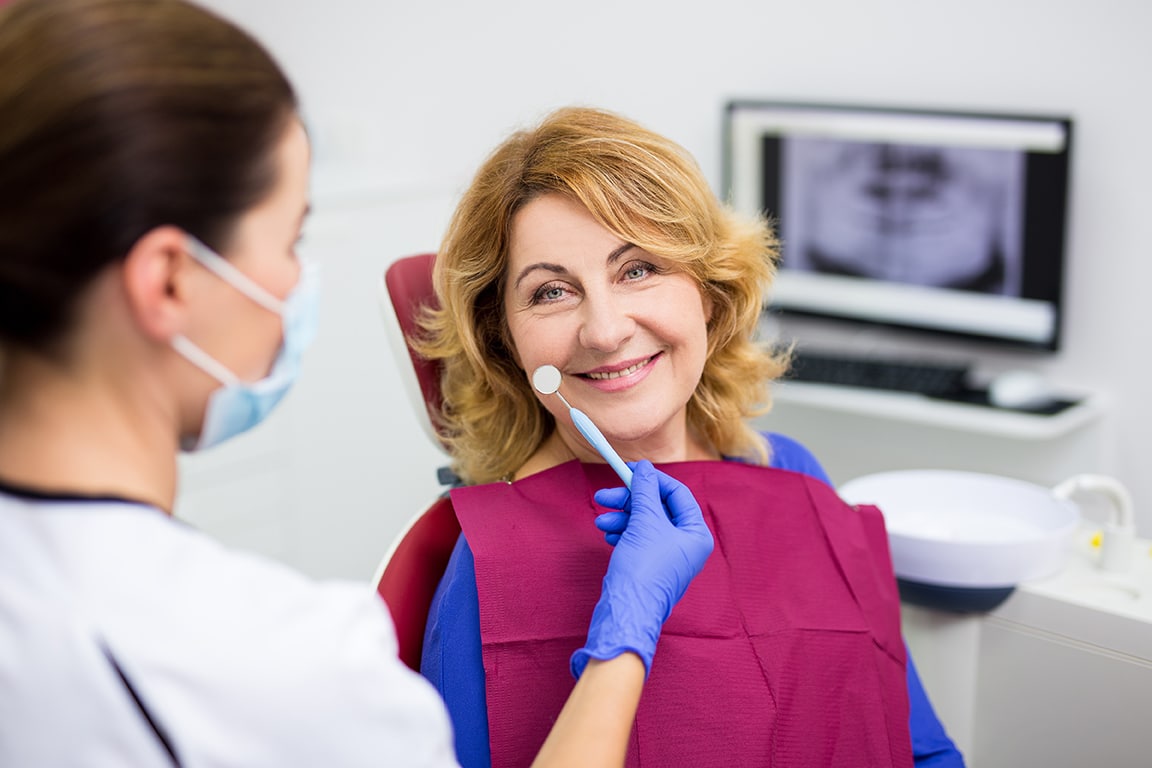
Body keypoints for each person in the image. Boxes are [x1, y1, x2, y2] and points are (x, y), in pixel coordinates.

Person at [0, 2, 713, 766]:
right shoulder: (297, 668)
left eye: (640, 268)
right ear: (171, 282)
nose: (606, 328)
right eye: (290, 238)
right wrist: (625, 637)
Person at [413, 106, 966, 767]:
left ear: (708, 292)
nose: (605, 330)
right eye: (552, 292)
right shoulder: (487, 567)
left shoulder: (795, 477)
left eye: (638, 270)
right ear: (507, 341)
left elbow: (922, 750)